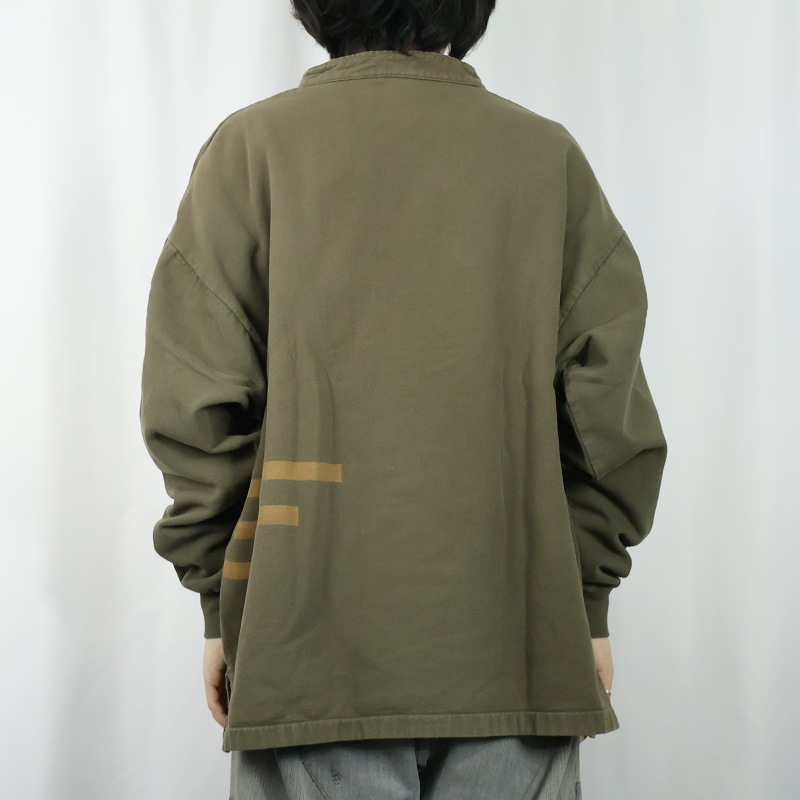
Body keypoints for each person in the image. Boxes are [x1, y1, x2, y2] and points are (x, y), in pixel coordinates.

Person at [139, 1, 668, 798]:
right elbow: (608, 417)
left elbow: (197, 409)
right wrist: (585, 603)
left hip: (305, 649)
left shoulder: (252, 150)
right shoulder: (544, 157)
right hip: (516, 649)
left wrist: (223, 602)